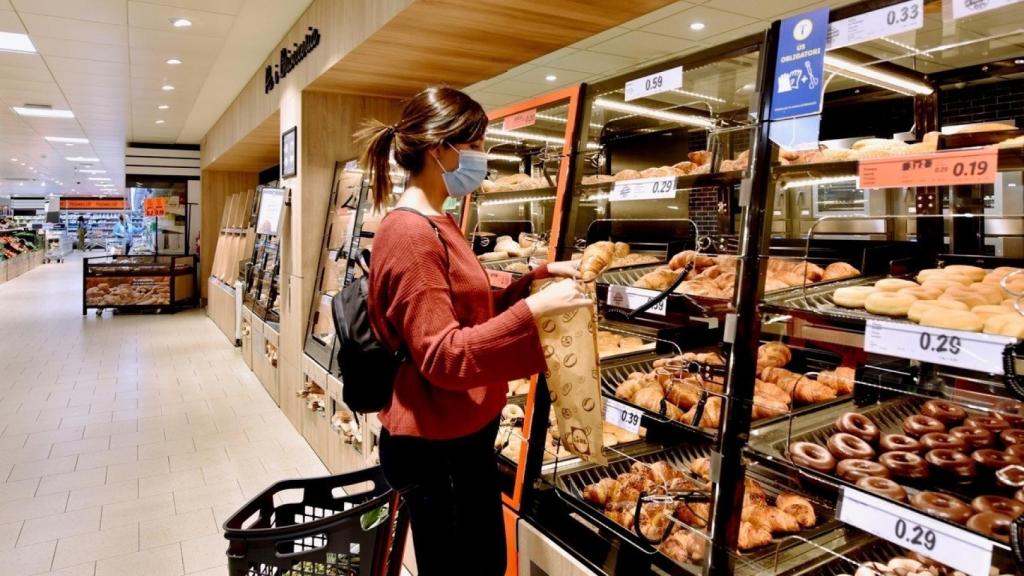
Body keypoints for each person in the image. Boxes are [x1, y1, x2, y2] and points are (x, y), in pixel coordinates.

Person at [358, 87, 590, 576]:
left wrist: (537, 280)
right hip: (437, 446)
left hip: (458, 435)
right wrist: (533, 312)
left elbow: (470, 312)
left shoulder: (437, 221)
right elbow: (444, 355)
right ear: (441, 149)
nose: (482, 158)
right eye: (477, 145)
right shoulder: (411, 235)